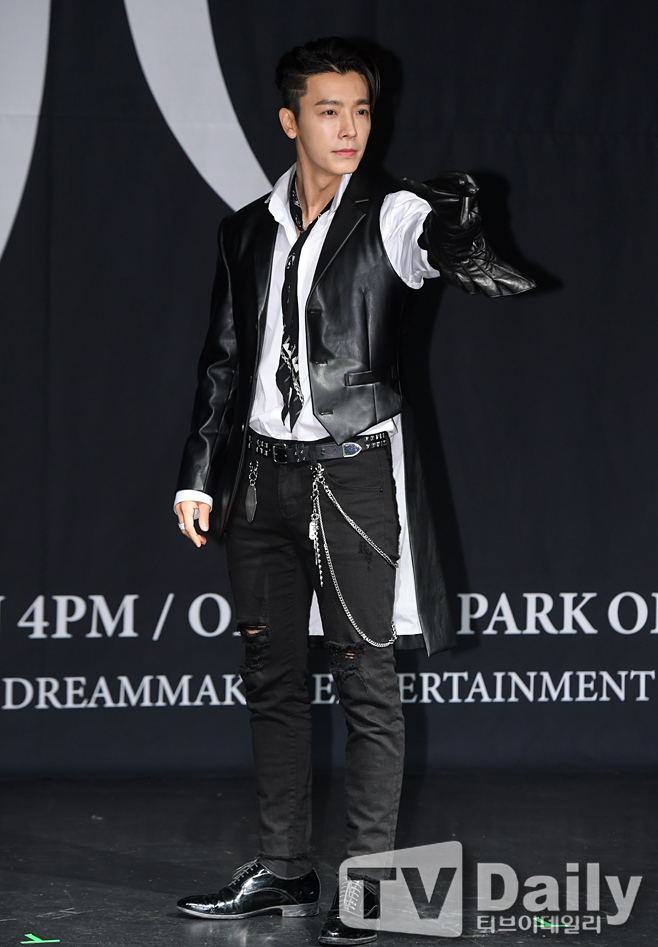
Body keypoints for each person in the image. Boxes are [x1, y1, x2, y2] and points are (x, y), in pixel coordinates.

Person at [173, 36, 534, 945]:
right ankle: (285, 866)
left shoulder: (393, 213)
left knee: (368, 681)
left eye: (362, 111)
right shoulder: (245, 230)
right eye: (328, 111)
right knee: (272, 678)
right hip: (259, 478)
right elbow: (223, 362)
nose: (349, 129)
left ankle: (370, 887)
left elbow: (437, 250)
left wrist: (456, 227)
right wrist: (199, 475)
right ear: (289, 120)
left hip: (351, 473)